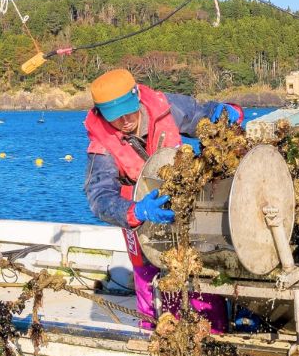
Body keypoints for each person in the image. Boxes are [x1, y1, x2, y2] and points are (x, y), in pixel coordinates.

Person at [83, 68, 243, 330]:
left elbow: (203, 114)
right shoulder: (101, 147)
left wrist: (224, 112)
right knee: (150, 282)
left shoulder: (164, 106)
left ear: (136, 97)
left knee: (201, 272)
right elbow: (99, 198)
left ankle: (214, 331)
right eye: (115, 117)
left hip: (187, 208)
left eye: (128, 111)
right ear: (101, 114)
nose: (124, 121)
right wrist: (136, 211)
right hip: (140, 218)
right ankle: (156, 335)